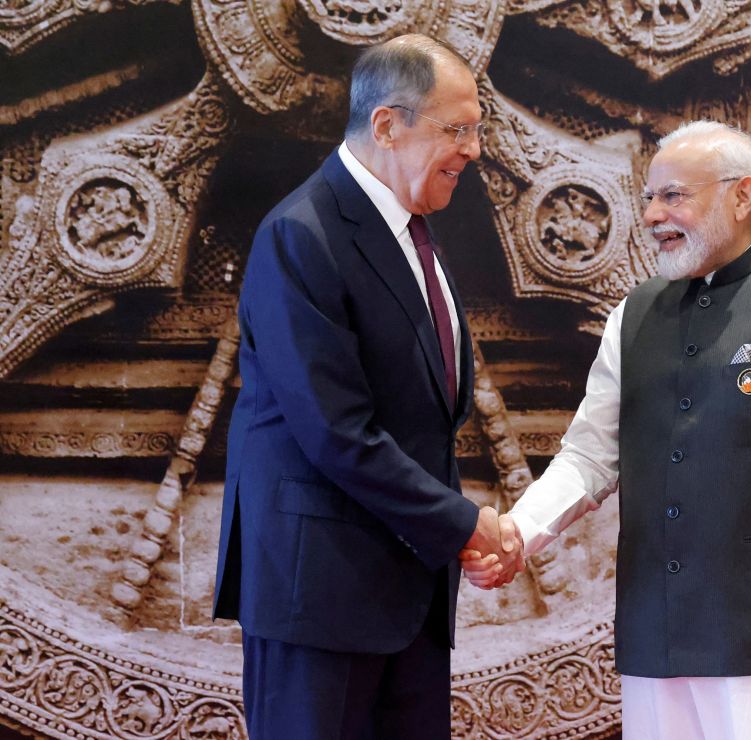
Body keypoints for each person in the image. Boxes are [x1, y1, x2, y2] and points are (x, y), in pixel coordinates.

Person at [463, 121, 751, 738]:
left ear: (741, 197)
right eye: (649, 197)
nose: (652, 214)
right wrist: (521, 531)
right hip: (658, 646)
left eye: (673, 195)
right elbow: (589, 457)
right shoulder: (634, 316)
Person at [213, 35, 522, 739]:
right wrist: (464, 525)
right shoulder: (301, 234)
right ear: (387, 126)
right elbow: (335, 430)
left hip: (406, 600)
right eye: (458, 129)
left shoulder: (411, 231)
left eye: (477, 130)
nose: (473, 150)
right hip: (319, 603)